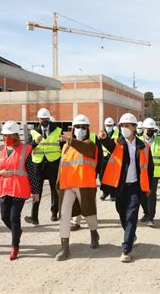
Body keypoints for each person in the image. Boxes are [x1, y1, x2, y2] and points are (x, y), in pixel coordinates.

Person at [101, 113, 153, 262]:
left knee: (131, 216)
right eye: (122, 126)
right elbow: (108, 144)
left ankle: (126, 249)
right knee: (121, 212)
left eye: (127, 125)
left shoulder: (144, 146)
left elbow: (149, 168)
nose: (124, 128)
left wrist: (147, 186)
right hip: (120, 187)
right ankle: (130, 234)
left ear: (135, 127)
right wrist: (103, 138)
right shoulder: (117, 143)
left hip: (136, 187)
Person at [0, 121, 40, 260]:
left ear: (15, 135)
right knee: (4, 217)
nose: (6, 138)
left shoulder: (25, 150)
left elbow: (31, 172)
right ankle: (17, 232)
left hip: (19, 188)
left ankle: (15, 246)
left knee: (14, 217)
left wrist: (35, 192)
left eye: (9, 135)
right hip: (4, 187)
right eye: (4, 135)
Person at [55, 114, 99, 261]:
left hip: (84, 185)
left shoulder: (90, 144)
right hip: (67, 185)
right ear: (73, 129)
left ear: (87, 129)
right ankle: (64, 248)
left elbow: (85, 149)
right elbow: (62, 166)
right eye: (77, 127)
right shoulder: (66, 147)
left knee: (88, 214)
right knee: (64, 215)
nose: (80, 129)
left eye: (83, 127)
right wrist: (58, 183)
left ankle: (94, 232)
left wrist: (69, 139)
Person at [25, 108, 63, 225]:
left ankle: (54, 213)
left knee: (54, 189)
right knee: (36, 190)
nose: (44, 120)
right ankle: (34, 216)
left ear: (49, 118)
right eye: (42, 119)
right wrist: (34, 142)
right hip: (38, 164)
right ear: (38, 119)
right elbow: (26, 148)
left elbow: (63, 147)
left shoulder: (57, 130)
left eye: (46, 118)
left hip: (53, 163)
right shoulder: (33, 132)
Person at [140, 118, 160, 227]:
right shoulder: (138, 140)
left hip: (155, 173)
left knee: (151, 196)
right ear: (143, 129)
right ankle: (146, 213)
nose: (149, 131)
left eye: (151, 129)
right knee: (141, 195)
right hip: (141, 172)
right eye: (147, 129)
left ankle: (151, 217)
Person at [99, 117, 119, 201]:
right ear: (104, 125)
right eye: (107, 125)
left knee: (112, 177)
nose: (108, 127)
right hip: (104, 158)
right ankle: (105, 192)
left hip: (113, 158)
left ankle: (112, 194)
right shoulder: (101, 134)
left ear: (113, 125)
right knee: (102, 176)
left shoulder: (117, 134)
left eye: (110, 125)